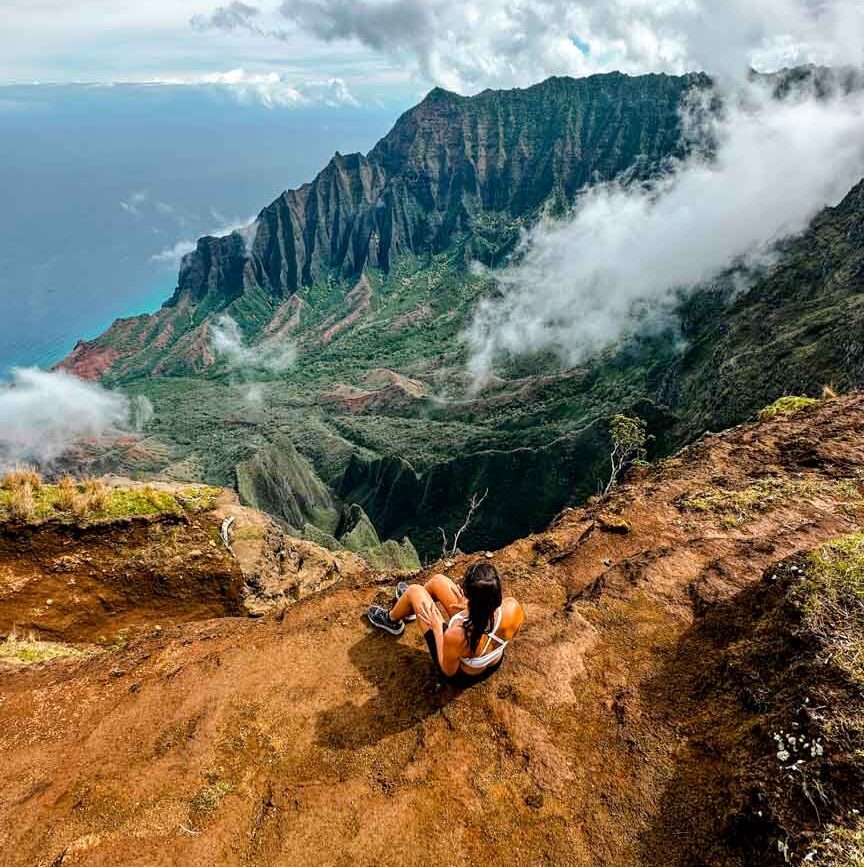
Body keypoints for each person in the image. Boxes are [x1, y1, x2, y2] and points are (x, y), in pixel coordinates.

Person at [367, 561, 524, 680]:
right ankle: (408, 609)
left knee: (415, 590)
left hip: (464, 674)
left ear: (469, 596)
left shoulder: (457, 635)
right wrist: (471, 607)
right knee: (438, 581)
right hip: (493, 660)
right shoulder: (513, 607)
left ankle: (391, 620)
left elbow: (448, 670)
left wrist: (436, 627)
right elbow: (509, 632)